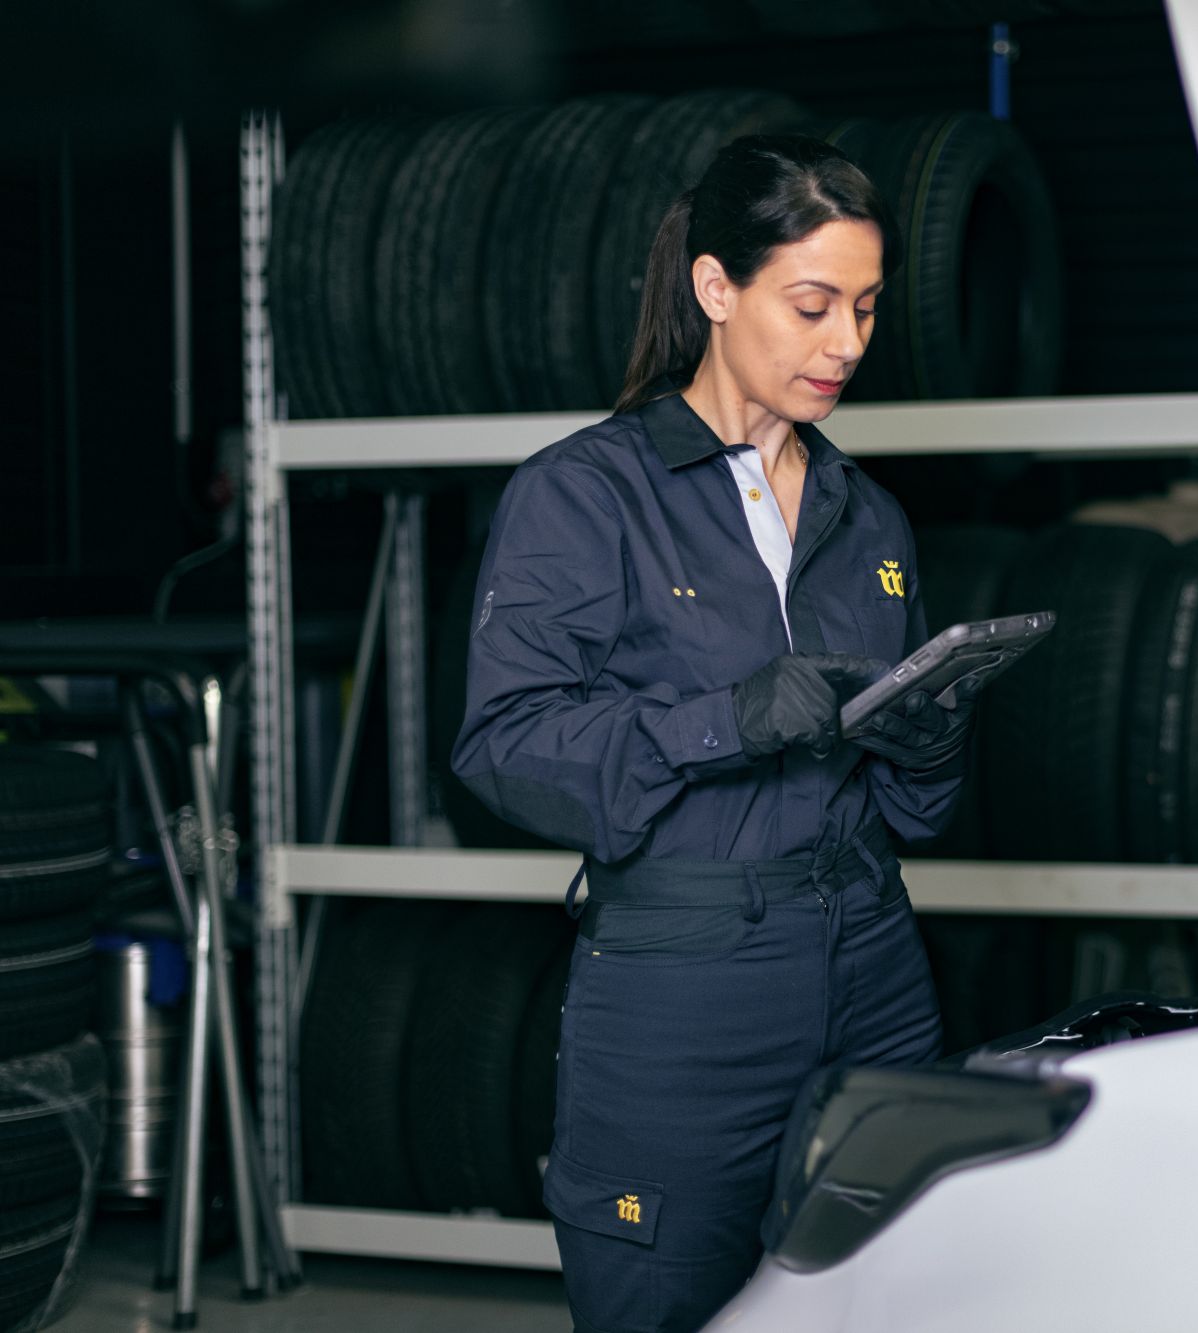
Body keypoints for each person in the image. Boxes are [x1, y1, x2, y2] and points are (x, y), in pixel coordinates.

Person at [450, 134, 977, 1333]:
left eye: (865, 307)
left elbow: (915, 814)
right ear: (713, 289)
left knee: (888, 1298)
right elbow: (503, 747)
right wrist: (727, 720)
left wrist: (929, 736)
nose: (846, 342)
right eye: (811, 304)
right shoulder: (587, 495)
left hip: (876, 962)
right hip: (689, 980)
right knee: (664, 1302)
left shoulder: (870, 514)